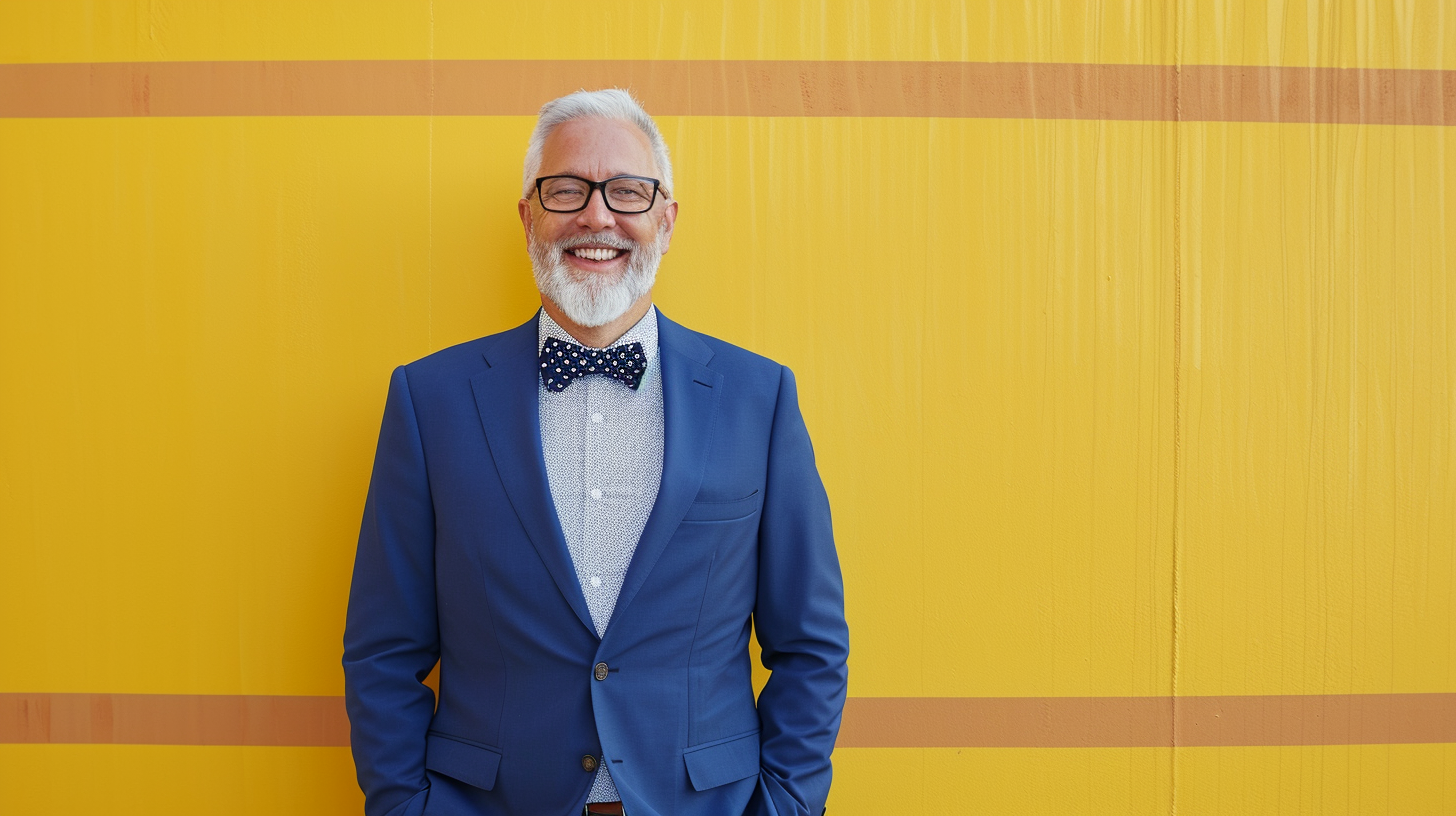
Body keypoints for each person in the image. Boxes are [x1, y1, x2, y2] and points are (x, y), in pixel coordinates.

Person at [343, 88, 849, 816]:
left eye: (628, 192)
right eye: (567, 189)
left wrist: (787, 807)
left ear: (667, 221)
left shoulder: (758, 397)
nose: (597, 215)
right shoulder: (430, 401)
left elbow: (811, 645)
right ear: (527, 217)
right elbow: (382, 649)